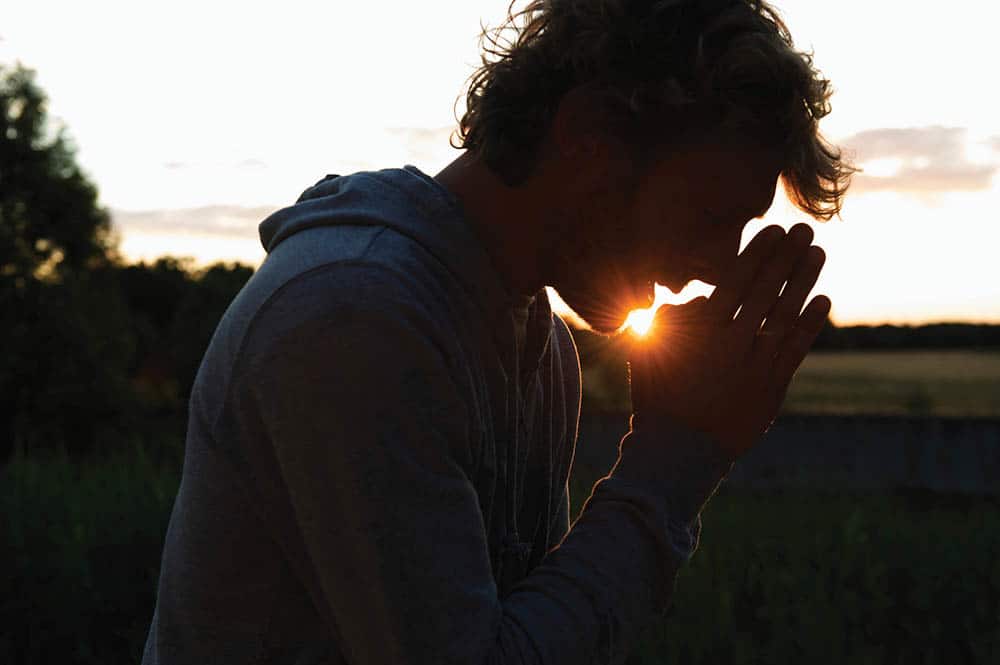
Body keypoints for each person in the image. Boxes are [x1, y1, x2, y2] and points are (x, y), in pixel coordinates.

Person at [141, 0, 854, 663]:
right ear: (588, 137)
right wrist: (676, 457)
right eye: (709, 215)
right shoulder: (354, 319)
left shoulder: (542, 351)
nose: (718, 264)